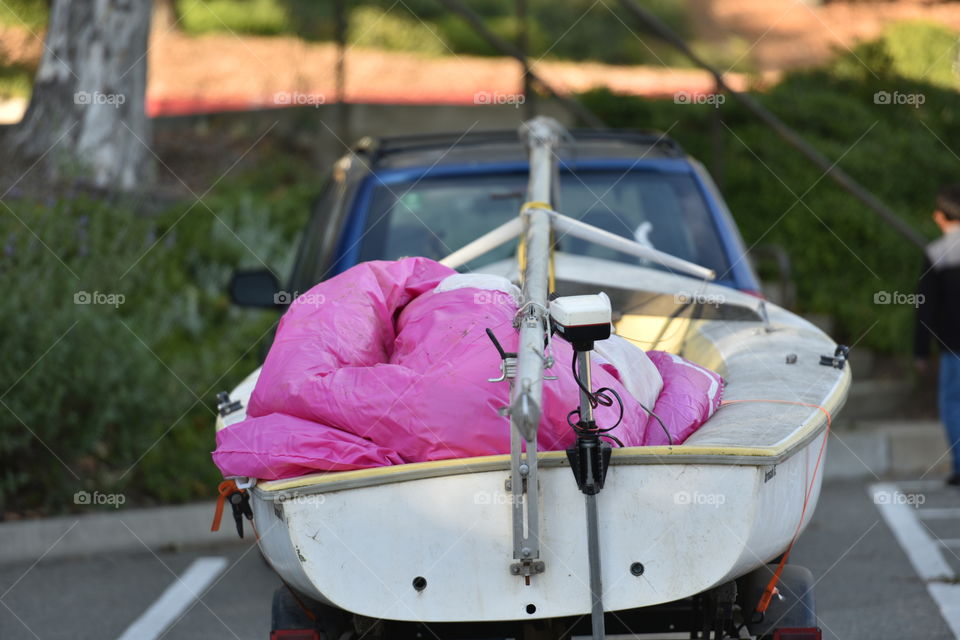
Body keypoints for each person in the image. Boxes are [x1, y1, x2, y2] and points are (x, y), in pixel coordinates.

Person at [916, 184, 960, 485]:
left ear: (942, 216)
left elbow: (925, 307)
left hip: (952, 344)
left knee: (953, 403)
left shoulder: (936, 253)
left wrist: (920, 350)